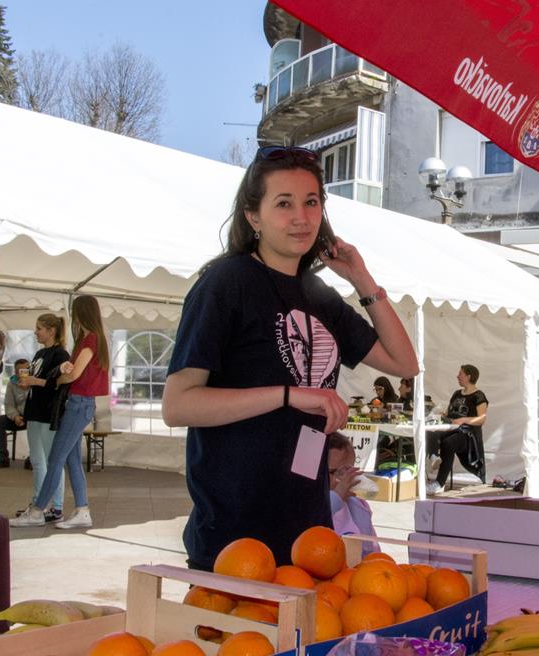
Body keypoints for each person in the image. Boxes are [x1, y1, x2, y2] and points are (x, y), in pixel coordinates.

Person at [161, 145, 418, 570]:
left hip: (309, 529)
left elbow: (404, 363)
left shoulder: (319, 295)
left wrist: (361, 278)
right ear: (253, 216)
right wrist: (289, 395)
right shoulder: (226, 282)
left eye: (311, 202)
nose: (301, 217)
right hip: (237, 532)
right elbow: (178, 405)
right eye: (284, 204)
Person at [10, 296, 109, 529]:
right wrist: (63, 373)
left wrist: (58, 378)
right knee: (71, 459)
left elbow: (73, 375)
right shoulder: (92, 339)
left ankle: (38, 510)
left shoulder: (90, 340)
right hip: (79, 403)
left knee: (55, 459)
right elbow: (74, 371)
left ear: (81, 313)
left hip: (78, 404)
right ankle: (82, 510)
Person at [14, 314, 71, 522]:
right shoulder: (39, 353)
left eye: (39, 328)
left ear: (51, 330)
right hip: (34, 411)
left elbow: (59, 383)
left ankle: (56, 506)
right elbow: (37, 380)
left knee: (51, 461)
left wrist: (35, 382)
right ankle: (38, 503)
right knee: (37, 460)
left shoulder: (61, 354)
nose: (36, 332)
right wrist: (26, 383)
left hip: (49, 413)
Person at [426, 364, 488, 495]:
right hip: (451, 428)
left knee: (449, 443)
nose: (457, 376)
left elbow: (482, 418)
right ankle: (434, 457)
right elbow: (448, 413)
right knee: (430, 431)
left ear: (468, 376)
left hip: (467, 434)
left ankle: (439, 483)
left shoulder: (478, 396)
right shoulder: (456, 394)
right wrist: (442, 414)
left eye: (460, 374)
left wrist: (463, 420)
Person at [327, 433, 379, 557]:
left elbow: (371, 550)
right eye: (336, 472)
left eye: (348, 471)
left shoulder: (359, 507)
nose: (345, 478)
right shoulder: (312, 503)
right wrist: (337, 497)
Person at [0, 359, 29, 469]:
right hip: (17, 416)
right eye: (21, 370)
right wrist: (15, 416)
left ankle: (32, 458)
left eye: (26, 370)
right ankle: (2, 457)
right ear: (16, 372)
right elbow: (9, 404)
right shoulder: (12, 384)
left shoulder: (35, 382)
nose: (24, 373)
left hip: (32, 416)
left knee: (37, 425)